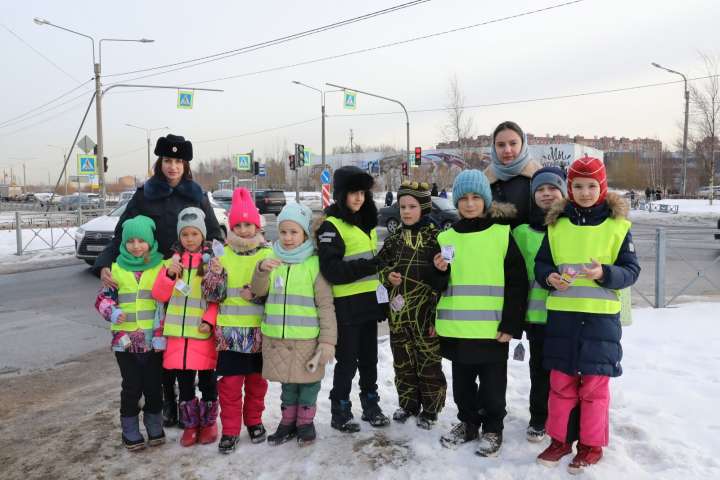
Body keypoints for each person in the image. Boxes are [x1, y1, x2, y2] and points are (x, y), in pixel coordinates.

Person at [94, 134, 224, 429]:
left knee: (188, 340)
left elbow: (215, 234)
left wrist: (214, 261)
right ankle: (169, 401)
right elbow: (122, 234)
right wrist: (103, 264)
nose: (173, 166)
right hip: (157, 278)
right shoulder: (145, 194)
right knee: (162, 343)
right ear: (160, 163)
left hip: (190, 277)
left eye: (179, 161)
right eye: (168, 160)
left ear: (186, 165)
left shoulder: (196, 194)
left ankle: (189, 399)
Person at [534, 157, 640, 474]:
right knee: (560, 385)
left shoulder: (618, 227)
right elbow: (541, 265)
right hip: (562, 321)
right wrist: (549, 277)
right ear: (570, 188)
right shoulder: (555, 226)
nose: (584, 192)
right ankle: (560, 440)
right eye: (578, 186)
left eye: (591, 185)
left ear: (602, 187)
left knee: (594, 389)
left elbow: (631, 270)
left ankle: (591, 446)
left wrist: (605, 273)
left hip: (600, 323)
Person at [434, 170, 528, 457]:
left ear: (486, 201)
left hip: (492, 332)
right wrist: (438, 270)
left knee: (492, 387)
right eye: (463, 198)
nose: (470, 203)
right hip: (457, 331)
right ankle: (469, 423)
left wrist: (511, 324)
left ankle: (492, 427)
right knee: (461, 386)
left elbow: (517, 283)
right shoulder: (446, 237)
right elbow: (438, 285)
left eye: (476, 197)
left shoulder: (501, 235)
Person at [251, 203, 337, 446]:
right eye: (283, 232)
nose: (288, 238)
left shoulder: (314, 264)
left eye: (294, 232)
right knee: (287, 385)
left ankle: (305, 423)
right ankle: (287, 422)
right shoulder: (271, 258)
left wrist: (328, 341)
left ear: (305, 234)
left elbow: (325, 306)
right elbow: (259, 291)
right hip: (278, 338)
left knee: (308, 385)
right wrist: (260, 271)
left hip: (307, 340)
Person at [315, 165, 390, 432]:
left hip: (369, 304)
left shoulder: (367, 222)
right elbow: (332, 270)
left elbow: (372, 267)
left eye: (362, 192)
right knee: (348, 361)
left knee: (370, 359)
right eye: (352, 193)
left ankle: (371, 403)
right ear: (341, 194)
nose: (358, 198)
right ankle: (340, 407)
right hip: (346, 307)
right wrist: (366, 268)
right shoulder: (332, 225)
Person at [201, 188, 272, 453]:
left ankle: (254, 421)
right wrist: (215, 276)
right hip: (229, 336)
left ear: (257, 225)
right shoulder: (222, 255)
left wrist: (255, 295)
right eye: (238, 225)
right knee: (230, 387)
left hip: (260, 333)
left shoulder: (267, 255)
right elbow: (211, 295)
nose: (243, 230)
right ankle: (230, 430)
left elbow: (276, 295)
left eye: (248, 224)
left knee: (256, 384)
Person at [376, 181, 447, 429]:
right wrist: (387, 276)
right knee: (402, 361)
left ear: (424, 208)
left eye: (412, 206)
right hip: (398, 314)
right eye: (402, 206)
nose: (406, 211)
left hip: (426, 314)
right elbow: (379, 266)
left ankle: (431, 408)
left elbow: (447, 277)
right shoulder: (394, 239)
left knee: (428, 361)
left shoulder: (436, 238)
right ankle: (408, 404)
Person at [94, 215, 166, 451]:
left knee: (154, 386)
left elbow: (168, 302)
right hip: (124, 344)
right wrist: (112, 313)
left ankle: (154, 425)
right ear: (123, 244)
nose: (136, 246)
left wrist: (162, 331)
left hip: (154, 342)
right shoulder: (115, 269)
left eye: (141, 241)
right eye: (130, 241)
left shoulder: (160, 267)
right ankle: (130, 429)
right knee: (132, 387)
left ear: (151, 242)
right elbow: (102, 300)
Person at [152, 207, 220, 447]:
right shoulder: (172, 262)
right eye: (185, 235)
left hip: (202, 335)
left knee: (208, 382)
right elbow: (159, 294)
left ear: (202, 235)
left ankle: (209, 423)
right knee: (185, 383)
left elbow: (216, 298)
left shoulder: (212, 262)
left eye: (194, 234)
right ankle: (190, 425)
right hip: (178, 339)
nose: (189, 239)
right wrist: (169, 275)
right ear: (179, 237)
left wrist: (209, 321)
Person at [511, 166, 567, 443]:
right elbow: (515, 276)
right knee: (540, 371)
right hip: (538, 316)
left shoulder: (573, 227)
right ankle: (539, 417)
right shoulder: (522, 232)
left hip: (570, 312)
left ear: (563, 192)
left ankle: (567, 418)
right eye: (540, 190)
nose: (546, 195)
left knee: (568, 372)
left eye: (552, 189)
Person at [484, 121, 543, 226]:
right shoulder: (484, 181)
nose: (507, 150)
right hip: (498, 242)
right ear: (494, 147)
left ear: (523, 144)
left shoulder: (540, 176)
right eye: (501, 145)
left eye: (513, 143)